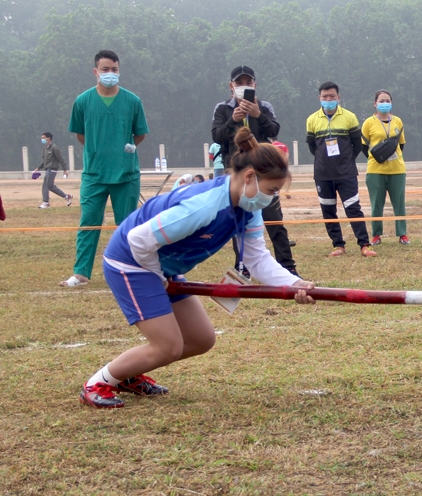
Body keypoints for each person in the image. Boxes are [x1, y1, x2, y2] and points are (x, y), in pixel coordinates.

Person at [79, 127, 315, 409]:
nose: (272, 197)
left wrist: (294, 284)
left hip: (160, 266)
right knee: (167, 346)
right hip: (131, 262)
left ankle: (127, 375)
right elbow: (138, 240)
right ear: (250, 177)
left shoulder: (248, 207)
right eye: (272, 190)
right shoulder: (202, 206)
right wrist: (157, 277)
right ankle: (98, 383)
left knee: (201, 339)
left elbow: (257, 259)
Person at [61, 50, 149, 287]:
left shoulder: (132, 101)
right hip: (94, 174)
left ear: (119, 71)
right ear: (95, 72)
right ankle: (80, 273)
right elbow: (81, 134)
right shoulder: (82, 101)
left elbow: (140, 132)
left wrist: (129, 147)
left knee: (128, 226)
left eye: (114, 69)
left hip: (125, 173)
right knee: (89, 222)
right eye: (105, 69)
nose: (110, 73)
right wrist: (98, 151)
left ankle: (131, 270)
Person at [211, 66, 300, 277]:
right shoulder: (223, 109)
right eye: (239, 82)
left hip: (264, 173)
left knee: (274, 220)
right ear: (231, 86)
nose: (244, 86)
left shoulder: (264, 106)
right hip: (236, 174)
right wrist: (233, 119)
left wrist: (258, 115)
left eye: (248, 82)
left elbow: (274, 131)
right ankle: (243, 269)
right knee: (237, 221)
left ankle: (288, 266)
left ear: (255, 85)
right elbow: (216, 136)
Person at [306, 82, 376, 257]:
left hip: (346, 173)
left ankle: (364, 245)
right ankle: (338, 245)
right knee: (328, 211)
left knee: (353, 209)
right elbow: (312, 147)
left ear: (338, 97)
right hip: (322, 174)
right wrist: (325, 160)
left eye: (331, 96)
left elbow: (357, 144)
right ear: (319, 98)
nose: (328, 99)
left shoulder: (350, 117)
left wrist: (345, 161)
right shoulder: (312, 119)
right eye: (325, 96)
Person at [361, 90, 409, 246]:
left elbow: (401, 145)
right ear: (375, 104)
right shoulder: (368, 122)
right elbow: (363, 146)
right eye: (381, 101)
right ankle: (376, 235)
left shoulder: (398, 121)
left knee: (399, 203)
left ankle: (402, 234)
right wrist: (376, 158)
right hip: (376, 171)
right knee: (376, 204)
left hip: (397, 170)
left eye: (387, 100)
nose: (384, 103)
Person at [33, 132, 72, 209]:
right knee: (50, 186)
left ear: (49, 138)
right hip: (47, 169)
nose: (42, 139)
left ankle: (46, 203)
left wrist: (65, 169)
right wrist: (38, 168)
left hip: (52, 169)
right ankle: (67, 196)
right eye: (42, 138)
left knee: (46, 185)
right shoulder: (45, 148)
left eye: (44, 137)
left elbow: (61, 159)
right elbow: (44, 161)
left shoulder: (54, 148)